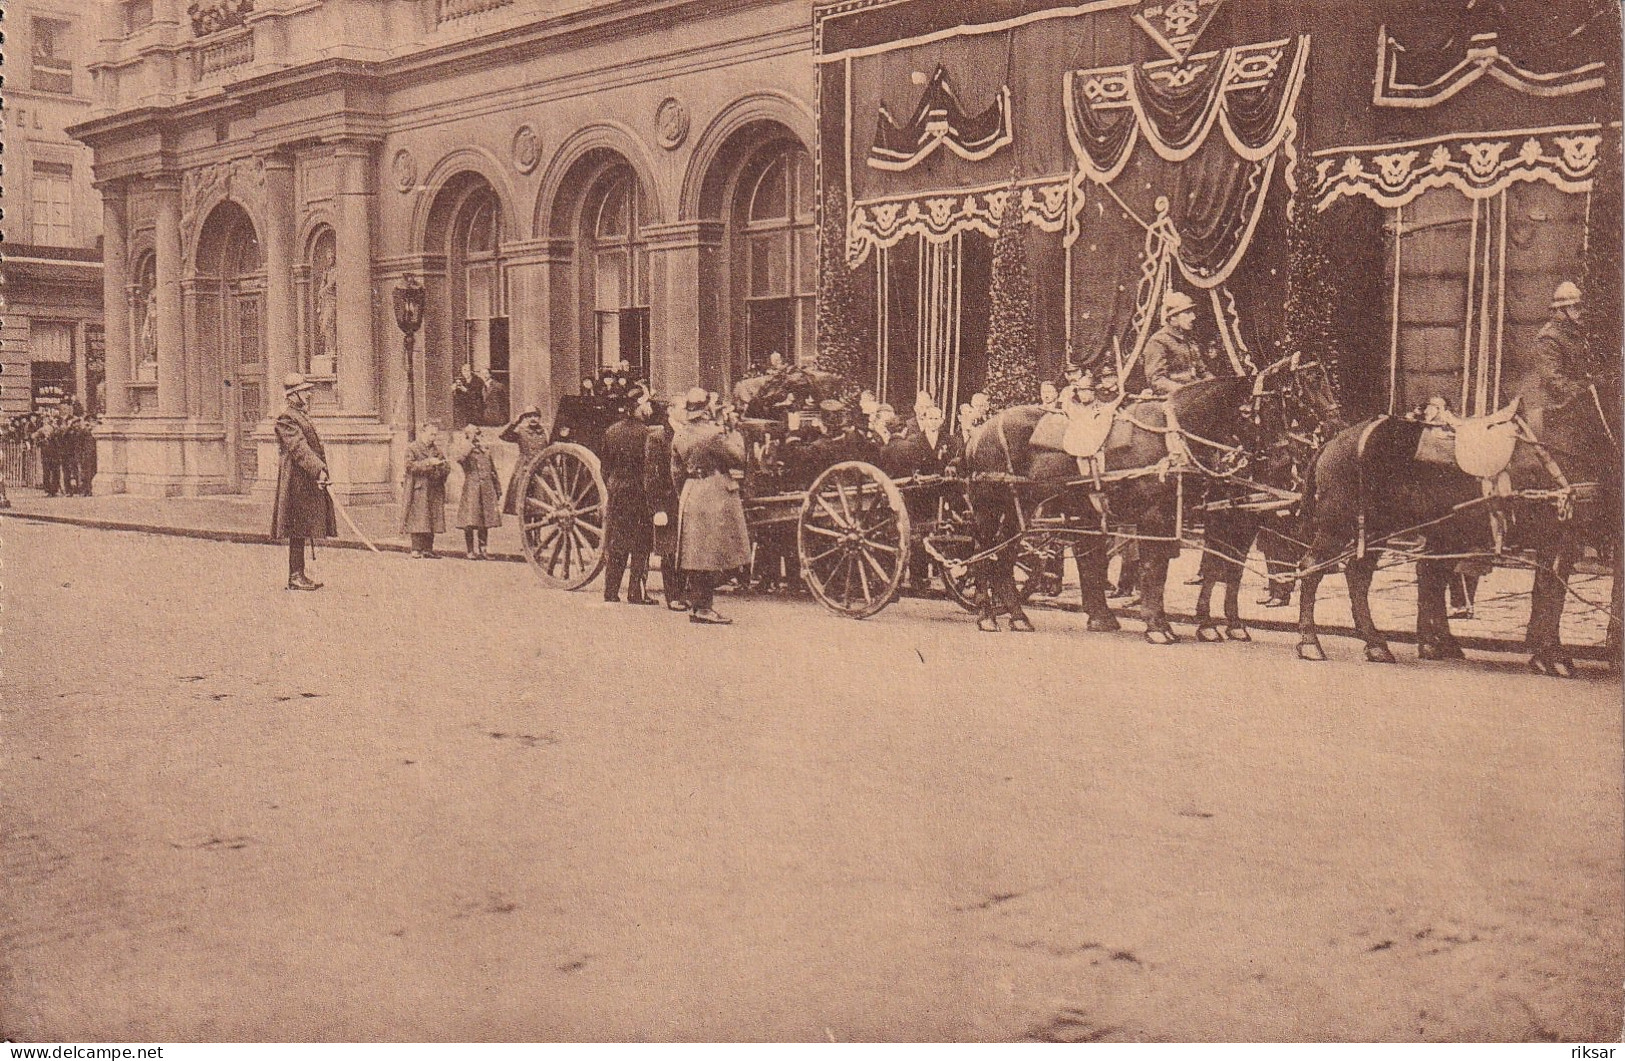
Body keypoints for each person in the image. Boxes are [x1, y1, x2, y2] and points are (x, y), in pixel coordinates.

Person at [670, 387, 750, 625]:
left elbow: (675, 472)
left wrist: (685, 493)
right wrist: (734, 432)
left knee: (696, 555)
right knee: (712, 554)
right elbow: (738, 458)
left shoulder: (680, 435)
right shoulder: (714, 434)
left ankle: (698, 606)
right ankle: (704, 608)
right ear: (706, 410)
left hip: (691, 492)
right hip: (714, 493)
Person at [270, 373, 335, 590]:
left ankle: (299, 574)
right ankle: (295, 575)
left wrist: (318, 471)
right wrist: (318, 470)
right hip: (295, 481)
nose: (309, 394)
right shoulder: (286, 418)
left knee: (302, 526)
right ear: (293, 394)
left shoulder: (300, 415)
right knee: (297, 528)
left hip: (304, 479)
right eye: (305, 390)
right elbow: (299, 448)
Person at [602, 389, 657, 605]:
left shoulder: (611, 431)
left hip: (617, 492)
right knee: (641, 545)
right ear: (638, 407)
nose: (650, 408)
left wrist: (613, 486)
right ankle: (635, 593)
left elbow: (604, 467)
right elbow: (650, 469)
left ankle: (611, 591)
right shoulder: (647, 434)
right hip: (639, 494)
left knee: (617, 543)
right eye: (647, 404)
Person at [1517, 281, 1590, 439]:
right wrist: (1583, 389)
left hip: (1567, 404)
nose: (1580, 312)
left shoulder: (1572, 334)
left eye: (1579, 306)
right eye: (1574, 307)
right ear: (1560, 311)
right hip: (1547, 408)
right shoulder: (1548, 339)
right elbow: (1553, 379)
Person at [646, 396, 687, 611]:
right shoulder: (659, 437)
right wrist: (657, 508)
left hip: (684, 498)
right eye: (682, 407)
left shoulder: (687, 432)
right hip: (667, 500)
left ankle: (683, 593)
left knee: (683, 548)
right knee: (669, 549)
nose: (686, 411)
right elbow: (652, 476)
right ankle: (672, 596)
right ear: (671, 410)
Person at [1142, 291, 1207, 396]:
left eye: (1192, 312)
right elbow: (1157, 380)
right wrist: (1185, 391)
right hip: (1174, 398)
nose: (1193, 317)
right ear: (1173, 317)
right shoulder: (1158, 341)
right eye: (1187, 313)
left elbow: (1202, 371)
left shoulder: (1189, 339)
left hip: (1193, 395)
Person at [453, 424, 502, 559]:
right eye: (474, 434)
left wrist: (497, 488)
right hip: (472, 489)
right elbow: (459, 459)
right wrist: (469, 443)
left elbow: (493, 471)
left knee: (484, 521)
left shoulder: (485, 450)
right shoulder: (466, 450)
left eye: (478, 434)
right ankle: (470, 550)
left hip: (486, 489)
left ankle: (483, 550)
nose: (478, 436)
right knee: (470, 521)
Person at [402, 422, 450, 558]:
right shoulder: (412, 448)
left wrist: (442, 467)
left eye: (435, 434)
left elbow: (446, 467)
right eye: (431, 434)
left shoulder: (437, 450)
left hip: (434, 488)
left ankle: (428, 549)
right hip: (419, 488)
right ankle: (416, 548)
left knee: (432, 518)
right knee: (419, 518)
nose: (433, 437)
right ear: (423, 432)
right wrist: (428, 463)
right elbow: (409, 466)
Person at [499, 406, 549, 516]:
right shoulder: (520, 432)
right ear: (525, 418)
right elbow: (503, 436)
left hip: (540, 471)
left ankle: (537, 531)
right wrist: (515, 422)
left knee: (539, 505)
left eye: (535, 416)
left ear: (539, 418)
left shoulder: (545, 432)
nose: (533, 419)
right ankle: (526, 528)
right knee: (524, 503)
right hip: (524, 470)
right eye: (529, 416)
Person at [452, 364, 484, 429]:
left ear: (471, 371)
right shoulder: (461, 381)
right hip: (463, 410)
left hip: (475, 409)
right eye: (464, 370)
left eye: (467, 370)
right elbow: (458, 396)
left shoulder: (478, 381)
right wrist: (453, 389)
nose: (465, 372)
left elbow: (477, 395)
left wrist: (466, 390)